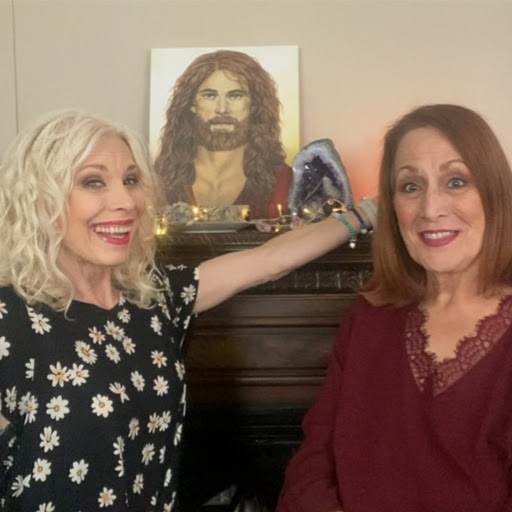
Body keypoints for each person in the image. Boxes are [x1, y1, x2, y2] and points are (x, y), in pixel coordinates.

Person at [0, 108, 375, 511]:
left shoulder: (153, 298)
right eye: (94, 182)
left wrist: (365, 214)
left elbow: (269, 260)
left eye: (131, 180)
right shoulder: (10, 318)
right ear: (40, 198)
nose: (126, 201)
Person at [276, 103, 512, 512]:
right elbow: (314, 458)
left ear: (495, 193)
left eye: (456, 181)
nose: (431, 209)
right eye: (410, 186)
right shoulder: (369, 317)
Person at [153, 49, 292, 219]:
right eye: (210, 96)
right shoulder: (159, 178)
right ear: (191, 104)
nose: (222, 109)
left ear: (254, 106)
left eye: (235, 96)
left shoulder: (283, 181)